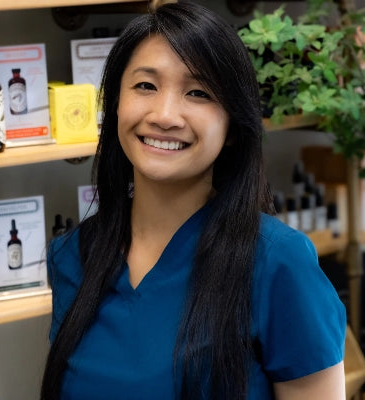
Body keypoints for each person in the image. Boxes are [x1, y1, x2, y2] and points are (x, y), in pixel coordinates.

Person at [41, 2, 347, 399]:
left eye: (198, 92)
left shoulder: (276, 263)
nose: (165, 115)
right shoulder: (73, 256)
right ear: (115, 104)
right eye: (145, 86)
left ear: (233, 127)